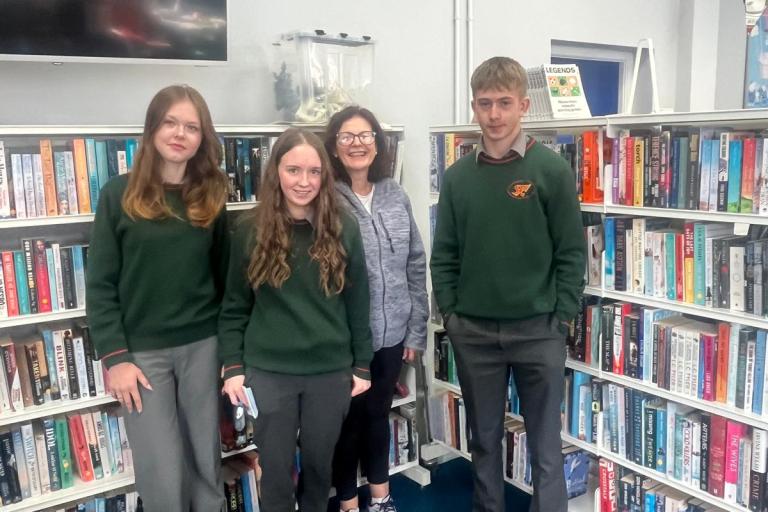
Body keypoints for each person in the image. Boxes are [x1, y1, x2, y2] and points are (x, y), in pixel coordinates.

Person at [430, 56, 586, 512]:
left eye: (503, 103)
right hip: (474, 334)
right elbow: (445, 254)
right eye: (484, 104)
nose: (494, 114)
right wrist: (453, 316)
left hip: (539, 330)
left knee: (545, 445)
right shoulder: (458, 178)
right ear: (474, 108)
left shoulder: (550, 170)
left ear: (524, 105)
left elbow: (571, 252)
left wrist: (561, 316)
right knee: (484, 440)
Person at [86, 84, 229, 511]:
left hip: (203, 347)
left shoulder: (212, 194)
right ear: (152, 129)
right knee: (161, 467)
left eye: (192, 127)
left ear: (202, 138)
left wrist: (230, 350)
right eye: (171, 122)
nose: (179, 134)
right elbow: (100, 284)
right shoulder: (118, 194)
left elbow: (224, 279)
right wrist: (115, 357)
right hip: (141, 357)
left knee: (205, 458)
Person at [219, 128, 373, 512]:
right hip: (269, 373)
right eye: (293, 170)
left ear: (325, 176)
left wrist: (363, 365)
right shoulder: (249, 230)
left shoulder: (344, 228)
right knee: (276, 470)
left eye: (314, 172)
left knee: (321, 469)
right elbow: (235, 304)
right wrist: (234, 367)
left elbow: (358, 301)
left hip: (330, 372)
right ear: (276, 173)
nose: (304, 182)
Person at [324, 106, 428, 512]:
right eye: (347, 137)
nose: (357, 144)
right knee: (346, 426)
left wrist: (416, 330)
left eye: (365, 135)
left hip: (394, 335)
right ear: (333, 147)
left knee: (377, 418)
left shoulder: (394, 193)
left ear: (377, 143)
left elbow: (415, 263)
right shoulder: (326, 200)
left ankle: (381, 499)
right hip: (348, 340)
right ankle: (349, 504)